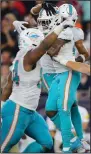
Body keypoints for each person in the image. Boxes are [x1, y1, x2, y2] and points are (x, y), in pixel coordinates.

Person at [1, 18, 75, 153]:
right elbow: (43, 47)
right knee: (2, 148)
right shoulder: (29, 56)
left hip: (30, 111)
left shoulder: (20, 56)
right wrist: (61, 26)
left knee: (46, 143)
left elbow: (8, 85)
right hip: (18, 109)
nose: (41, 43)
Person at [30, 2, 90, 153]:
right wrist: (43, 5)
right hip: (49, 73)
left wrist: (77, 61)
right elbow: (34, 12)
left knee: (64, 106)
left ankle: (70, 145)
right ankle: (76, 141)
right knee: (53, 110)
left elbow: (83, 54)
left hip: (65, 71)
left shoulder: (70, 32)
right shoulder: (49, 21)